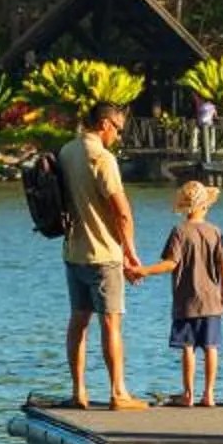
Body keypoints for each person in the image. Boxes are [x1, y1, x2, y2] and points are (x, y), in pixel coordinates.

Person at [59, 98, 146, 409]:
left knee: (78, 321)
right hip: (103, 254)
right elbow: (122, 212)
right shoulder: (102, 158)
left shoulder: (67, 151)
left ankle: (78, 391)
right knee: (111, 323)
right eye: (118, 129)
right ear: (106, 124)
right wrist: (130, 253)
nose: (118, 136)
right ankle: (117, 392)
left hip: (73, 251)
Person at [132, 179, 223, 407]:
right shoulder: (216, 232)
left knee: (187, 347)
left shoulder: (179, 231)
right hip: (212, 300)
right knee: (211, 346)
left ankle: (188, 394)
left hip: (186, 301)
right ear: (205, 205)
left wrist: (144, 270)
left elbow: (170, 263)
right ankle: (209, 394)